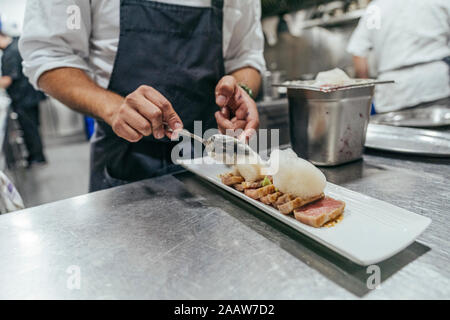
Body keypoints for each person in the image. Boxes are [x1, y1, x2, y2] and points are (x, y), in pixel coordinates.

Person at [19, 0, 266, 192]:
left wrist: (241, 91)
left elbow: (245, 57)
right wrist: (114, 108)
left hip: (213, 162)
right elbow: (47, 54)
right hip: (124, 164)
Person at [347, 0, 450, 113]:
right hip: (434, 84)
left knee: (395, 131)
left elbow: (358, 52)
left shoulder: (376, 8)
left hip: (392, 91)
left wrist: (366, 94)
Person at [0, 31, 47, 167]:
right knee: (32, 127)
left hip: (24, 98)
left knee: (29, 128)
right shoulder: (16, 45)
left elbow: (8, 80)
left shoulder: (10, 53)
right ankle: (37, 156)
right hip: (30, 95)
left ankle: (37, 158)